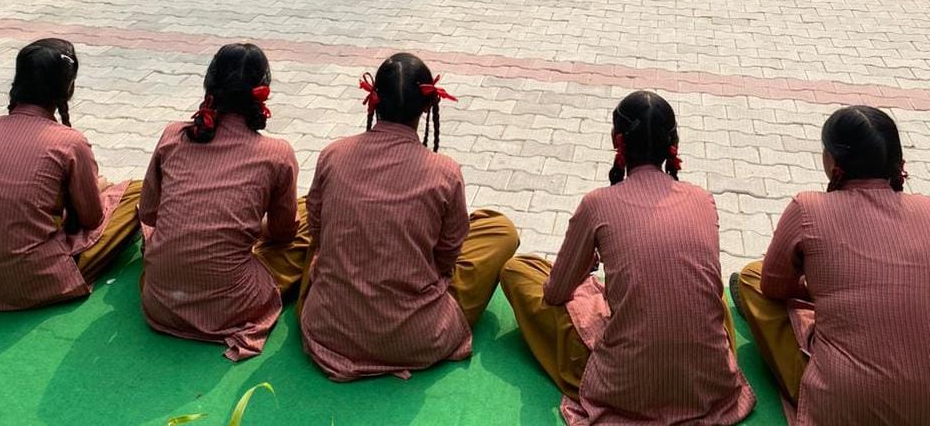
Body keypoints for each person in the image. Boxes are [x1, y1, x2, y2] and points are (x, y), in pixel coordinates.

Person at [500, 91, 754, 425]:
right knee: (710, 294)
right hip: (709, 387)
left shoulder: (597, 203)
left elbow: (555, 293)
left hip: (623, 389)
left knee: (518, 270)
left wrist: (584, 275)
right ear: (673, 143)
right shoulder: (702, 199)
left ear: (616, 140)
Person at [299, 53, 519, 380]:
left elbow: (317, 235)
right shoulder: (445, 172)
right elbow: (446, 261)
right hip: (417, 337)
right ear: (427, 107)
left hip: (329, 329)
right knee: (500, 230)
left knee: (309, 217)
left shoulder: (333, 154)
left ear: (373, 100)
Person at [731, 106, 930, 425]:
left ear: (832, 161)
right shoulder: (926, 209)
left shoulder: (807, 207)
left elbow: (773, 286)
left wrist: (816, 291)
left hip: (842, 405)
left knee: (752, 278)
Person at [139, 44, 307, 361]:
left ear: (210, 84)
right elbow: (283, 233)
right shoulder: (278, 153)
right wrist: (251, 229)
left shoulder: (173, 134)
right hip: (232, 307)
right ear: (262, 93)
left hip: (161, 301)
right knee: (307, 224)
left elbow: (148, 214)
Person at [0, 39, 142, 310]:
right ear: (68, 88)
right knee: (139, 191)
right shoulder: (70, 142)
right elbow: (92, 219)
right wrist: (97, 189)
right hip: (34, 280)